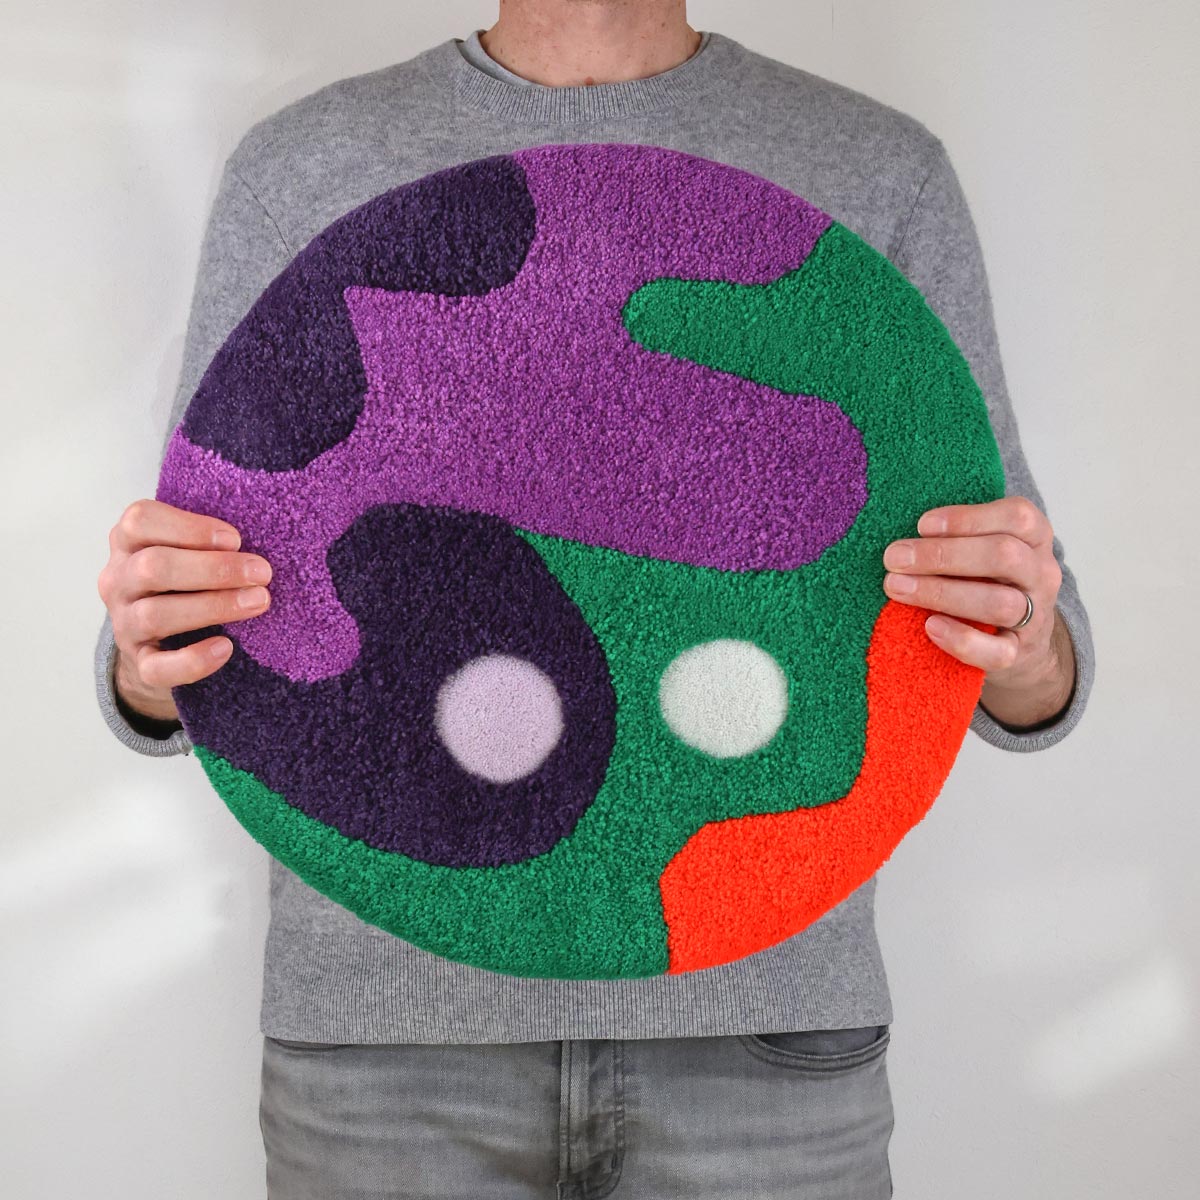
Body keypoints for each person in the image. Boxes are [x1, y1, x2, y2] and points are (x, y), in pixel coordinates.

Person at [93, 2, 1095, 1195]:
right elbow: (194, 592)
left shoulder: (877, 169)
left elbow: (1032, 650)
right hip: (384, 1049)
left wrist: (1023, 637)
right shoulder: (305, 165)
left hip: (763, 1039)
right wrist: (147, 656)